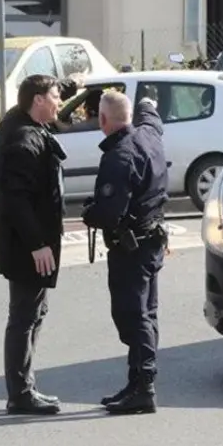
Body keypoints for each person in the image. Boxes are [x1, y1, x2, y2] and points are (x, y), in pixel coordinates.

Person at [81, 91, 170, 415]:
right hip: (151, 242)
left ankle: (144, 387)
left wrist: (89, 213)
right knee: (146, 313)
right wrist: (148, 101)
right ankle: (136, 382)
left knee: (132, 316)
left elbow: (109, 213)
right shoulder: (148, 135)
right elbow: (152, 117)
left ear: (103, 120)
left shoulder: (120, 157)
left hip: (131, 248)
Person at [0, 74, 71, 416]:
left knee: (33, 313)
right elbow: (16, 199)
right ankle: (21, 394)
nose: (59, 102)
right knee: (25, 316)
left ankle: (25, 388)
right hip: (27, 247)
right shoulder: (24, 139)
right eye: (55, 96)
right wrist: (38, 244)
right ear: (38, 100)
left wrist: (70, 82)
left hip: (27, 244)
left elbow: (51, 88)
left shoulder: (20, 117)